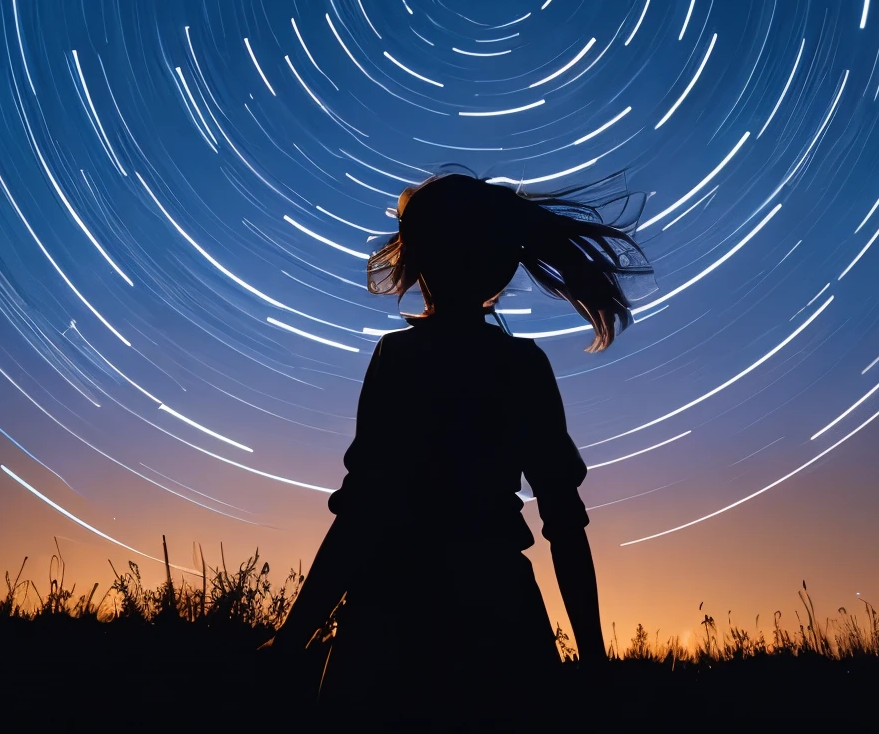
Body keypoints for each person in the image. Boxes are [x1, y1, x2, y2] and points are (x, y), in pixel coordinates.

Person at [271, 171, 648, 708]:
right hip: (499, 616)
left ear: (421, 262)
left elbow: (362, 511)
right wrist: (592, 661)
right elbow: (564, 521)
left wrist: (292, 639)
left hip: (389, 616)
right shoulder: (522, 367)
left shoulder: (398, 360)